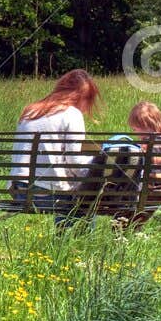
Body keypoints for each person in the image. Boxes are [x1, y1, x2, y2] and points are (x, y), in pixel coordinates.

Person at [10, 69, 100, 226]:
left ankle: (65, 240)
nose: (87, 108)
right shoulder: (72, 114)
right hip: (46, 196)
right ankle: (73, 245)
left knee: (70, 190)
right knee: (88, 197)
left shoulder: (30, 110)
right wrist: (96, 169)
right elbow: (75, 164)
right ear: (83, 97)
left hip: (19, 192)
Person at [125, 100, 161, 229]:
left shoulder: (143, 148)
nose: (134, 133)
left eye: (135, 129)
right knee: (138, 215)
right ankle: (134, 227)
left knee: (124, 214)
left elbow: (133, 171)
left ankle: (127, 230)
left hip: (147, 193)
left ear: (144, 125)